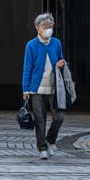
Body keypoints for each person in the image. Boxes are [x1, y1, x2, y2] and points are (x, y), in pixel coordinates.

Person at [22, 12, 66, 160]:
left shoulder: (56, 43)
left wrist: (61, 64)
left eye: (51, 26)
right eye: (46, 26)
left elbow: (61, 61)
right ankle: (42, 148)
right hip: (36, 89)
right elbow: (27, 68)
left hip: (55, 87)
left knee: (59, 116)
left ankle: (50, 140)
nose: (49, 29)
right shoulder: (31, 45)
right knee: (39, 120)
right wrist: (25, 89)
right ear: (38, 28)